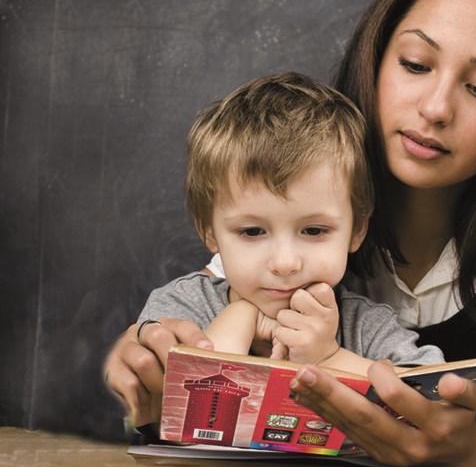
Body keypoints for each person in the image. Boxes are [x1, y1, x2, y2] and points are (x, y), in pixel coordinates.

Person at [104, 0, 476, 467]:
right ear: (376, 59)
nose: (435, 108)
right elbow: (201, 318)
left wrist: (470, 447)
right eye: (414, 64)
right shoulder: (304, 188)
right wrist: (145, 355)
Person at [137, 71, 444, 376]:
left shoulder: (366, 327)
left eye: (314, 231)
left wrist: (329, 357)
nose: (285, 264)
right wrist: (240, 317)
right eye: (252, 231)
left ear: (357, 230)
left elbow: (431, 397)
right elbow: (181, 399)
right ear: (209, 231)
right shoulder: (181, 307)